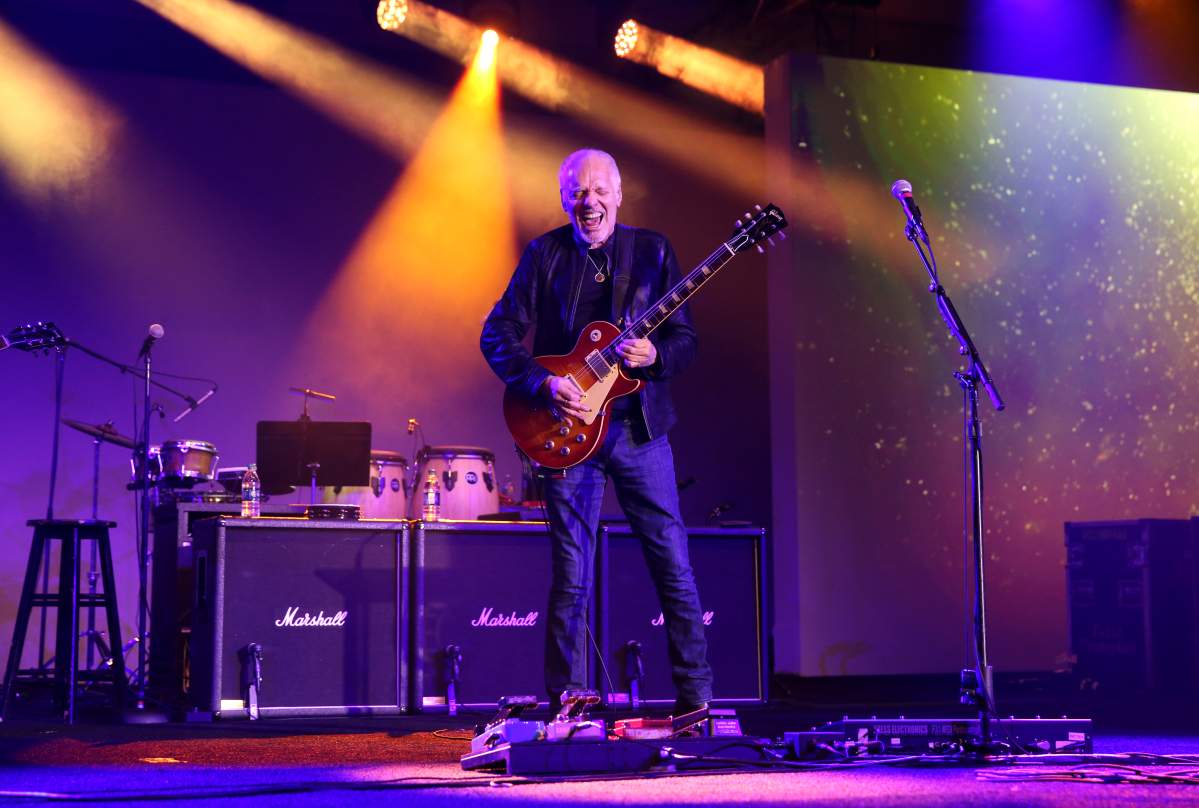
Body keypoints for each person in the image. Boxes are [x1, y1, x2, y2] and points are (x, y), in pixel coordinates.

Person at [480, 148, 713, 714]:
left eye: (599, 189)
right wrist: (542, 383)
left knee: (673, 564)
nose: (589, 201)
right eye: (577, 192)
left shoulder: (652, 250)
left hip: (639, 431)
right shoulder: (545, 254)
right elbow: (497, 333)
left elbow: (685, 342)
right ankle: (571, 707)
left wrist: (655, 354)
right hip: (568, 434)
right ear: (564, 198)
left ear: (618, 193)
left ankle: (696, 702)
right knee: (571, 573)